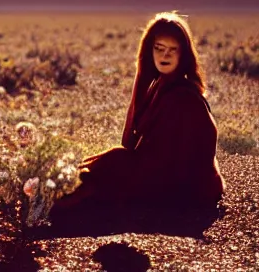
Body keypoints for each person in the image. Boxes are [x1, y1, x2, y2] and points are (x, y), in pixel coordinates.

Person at [48, 12, 224, 234]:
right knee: (107, 162)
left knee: (109, 167)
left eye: (172, 50)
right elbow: (132, 142)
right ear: (149, 51)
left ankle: (54, 198)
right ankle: (52, 190)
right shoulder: (159, 84)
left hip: (188, 187)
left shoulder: (184, 97)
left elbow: (174, 163)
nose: (164, 55)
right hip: (161, 172)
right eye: (158, 48)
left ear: (184, 55)